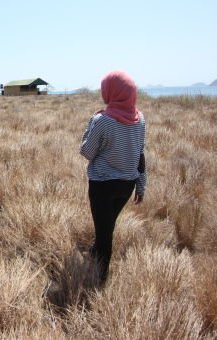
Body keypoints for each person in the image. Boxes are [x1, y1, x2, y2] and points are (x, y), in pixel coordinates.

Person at [80, 70, 146, 283]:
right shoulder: (140, 118)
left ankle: (100, 278)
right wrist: (141, 185)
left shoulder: (101, 120)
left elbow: (87, 152)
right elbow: (140, 153)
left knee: (104, 233)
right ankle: (93, 254)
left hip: (103, 186)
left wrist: (90, 127)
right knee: (107, 225)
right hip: (127, 185)